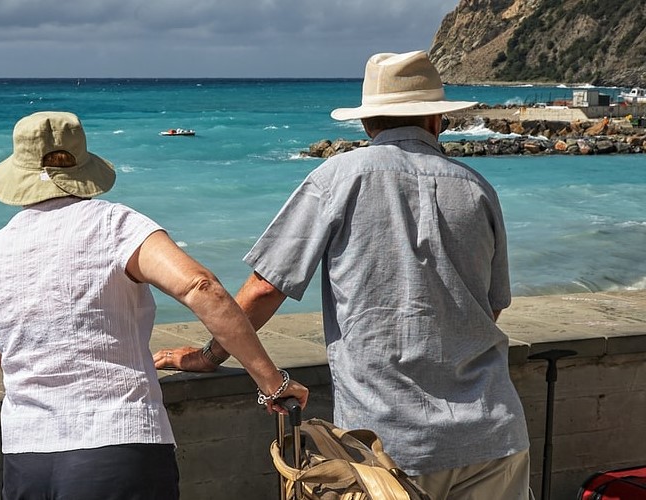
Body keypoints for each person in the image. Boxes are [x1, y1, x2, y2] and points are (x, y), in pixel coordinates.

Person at [154, 51, 530, 499]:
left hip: (386, 444)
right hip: (494, 434)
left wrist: (208, 356)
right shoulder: (476, 187)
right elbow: (493, 305)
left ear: (369, 123)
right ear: (437, 118)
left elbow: (266, 287)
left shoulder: (337, 178)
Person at [0, 111, 308, 500]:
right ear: (84, 166)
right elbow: (200, 286)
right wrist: (271, 382)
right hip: (118, 446)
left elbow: (6, 357)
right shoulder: (115, 226)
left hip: (26, 458)